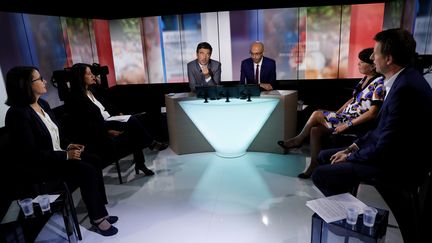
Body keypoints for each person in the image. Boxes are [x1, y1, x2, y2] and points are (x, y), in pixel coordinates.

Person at [312, 28, 432, 243]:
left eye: (375, 53)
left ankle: (353, 220)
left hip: (398, 165)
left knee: (321, 174)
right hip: (392, 151)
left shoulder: (406, 88)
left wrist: (349, 156)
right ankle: (348, 214)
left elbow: (386, 147)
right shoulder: (403, 80)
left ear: (389, 58)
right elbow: (381, 130)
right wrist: (352, 148)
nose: (371, 58)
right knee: (324, 157)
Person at [4, 66, 118, 236]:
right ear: (25, 84)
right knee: (85, 170)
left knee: (93, 159)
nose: (44, 81)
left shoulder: (42, 103)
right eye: (39, 79)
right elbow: (30, 154)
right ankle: (97, 218)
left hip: (58, 155)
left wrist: (70, 145)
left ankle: (99, 208)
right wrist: (65, 155)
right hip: (42, 165)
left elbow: (55, 135)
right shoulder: (17, 114)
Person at [277, 48, 385, 179]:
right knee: (315, 130)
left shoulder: (379, 84)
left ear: (373, 66)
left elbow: (372, 113)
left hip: (356, 122)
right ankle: (313, 165)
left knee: (317, 113)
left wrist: (347, 124)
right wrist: (336, 113)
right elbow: (352, 100)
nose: (358, 64)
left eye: (362, 62)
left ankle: (298, 140)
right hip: (346, 117)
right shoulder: (364, 79)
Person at [65, 63, 167, 176]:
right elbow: (86, 124)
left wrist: (118, 113)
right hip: (101, 127)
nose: (93, 76)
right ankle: (150, 145)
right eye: (89, 74)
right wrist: (106, 131)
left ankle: (141, 161)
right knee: (133, 121)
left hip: (109, 120)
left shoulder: (92, 91)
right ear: (80, 77)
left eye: (92, 73)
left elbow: (107, 105)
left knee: (136, 124)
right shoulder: (76, 99)